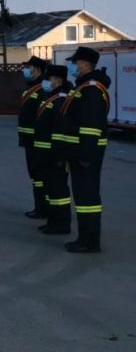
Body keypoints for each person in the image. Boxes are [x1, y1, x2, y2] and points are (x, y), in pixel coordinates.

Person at [56, 46, 111, 253]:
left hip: (85, 154)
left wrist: (86, 154)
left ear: (86, 65)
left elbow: (90, 126)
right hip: (78, 152)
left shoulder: (92, 90)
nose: (72, 66)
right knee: (82, 197)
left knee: (87, 198)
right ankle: (84, 238)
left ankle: (89, 241)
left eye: (75, 63)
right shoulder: (83, 87)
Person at [34, 65, 72, 236]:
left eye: (48, 79)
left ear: (58, 81)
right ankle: (52, 221)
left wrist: (59, 155)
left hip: (54, 153)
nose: (45, 82)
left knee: (58, 189)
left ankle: (61, 223)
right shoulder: (52, 97)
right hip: (46, 153)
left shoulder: (61, 99)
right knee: (50, 189)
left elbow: (60, 129)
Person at [16, 56, 48, 218]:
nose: (26, 70)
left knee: (40, 175)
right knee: (35, 175)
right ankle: (39, 206)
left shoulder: (41, 89)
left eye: (29, 67)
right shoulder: (32, 87)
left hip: (37, 141)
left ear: (37, 70)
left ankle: (43, 208)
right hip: (30, 140)